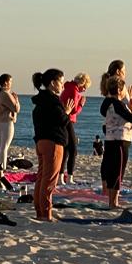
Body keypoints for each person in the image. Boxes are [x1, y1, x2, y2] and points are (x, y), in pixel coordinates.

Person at [31, 70, 70, 221]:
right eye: (61, 82)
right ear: (53, 83)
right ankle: (45, 213)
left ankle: (40, 212)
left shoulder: (41, 101)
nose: (62, 86)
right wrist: (66, 111)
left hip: (41, 142)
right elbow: (62, 121)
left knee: (42, 178)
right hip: (52, 143)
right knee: (48, 181)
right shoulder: (53, 101)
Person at [100, 73, 132, 209]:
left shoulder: (106, 102)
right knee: (117, 171)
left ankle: (112, 201)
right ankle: (113, 202)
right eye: (124, 90)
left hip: (110, 140)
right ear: (118, 90)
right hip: (120, 141)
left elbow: (104, 113)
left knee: (112, 170)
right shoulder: (118, 104)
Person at [60, 72, 90, 184]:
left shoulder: (68, 88)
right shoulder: (74, 91)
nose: (84, 90)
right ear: (82, 83)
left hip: (65, 119)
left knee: (67, 150)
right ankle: (69, 177)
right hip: (68, 120)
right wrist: (81, 104)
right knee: (73, 149)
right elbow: (74, 110)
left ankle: (61, 176)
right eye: (85, 87)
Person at [0, 74, 20, 170]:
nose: (11, 84)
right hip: (6, 122)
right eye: (10, 81)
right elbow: (16, 108)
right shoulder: (5, 93)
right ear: (6, 82)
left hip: (0, 122)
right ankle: (3, 168)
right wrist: (16, 100)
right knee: (4, 147)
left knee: (0, 146)